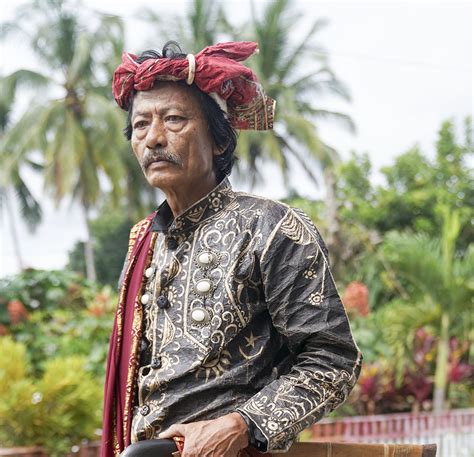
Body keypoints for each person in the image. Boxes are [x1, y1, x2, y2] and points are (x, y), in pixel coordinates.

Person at [101, 41, 362, 457]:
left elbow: (332, 359)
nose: (153, 139)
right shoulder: (144, 241)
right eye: (140, 125)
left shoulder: (272, 227)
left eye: (173, 119)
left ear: (219, 140)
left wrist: (241, 425)